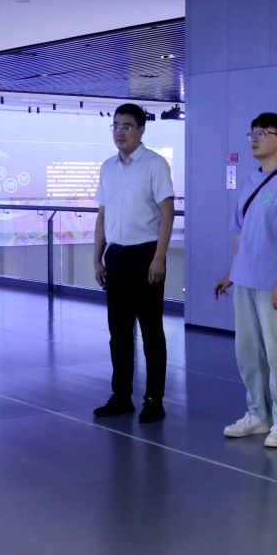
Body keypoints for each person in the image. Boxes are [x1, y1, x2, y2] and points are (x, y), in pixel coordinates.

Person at [213, 112, 277, 448]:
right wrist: (231, 271)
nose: (254, 138)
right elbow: (239, 231)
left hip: (272, 283)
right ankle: (257, 413)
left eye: (263, 132)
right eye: (252, 132)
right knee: (248, 352)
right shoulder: (250, 179)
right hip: (245, 280)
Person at [92, 103, 175, 423]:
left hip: (145, 254)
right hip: (116, 255)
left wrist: (159, 257)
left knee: (151, 331)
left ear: (141, 130)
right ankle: (121, 396)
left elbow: (167, 213)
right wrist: (97, 258)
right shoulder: (108, 167)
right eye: (115, 126)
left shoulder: (155, 164)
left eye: (126, 126)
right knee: (119, 332)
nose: (119, 132)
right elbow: (102, 215)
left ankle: (154, 399)